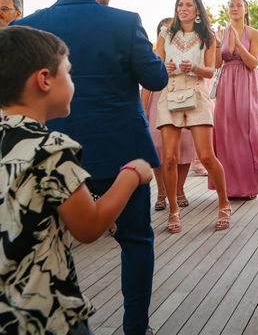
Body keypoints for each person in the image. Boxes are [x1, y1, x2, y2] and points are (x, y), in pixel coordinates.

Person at [13, 0, 167, 335]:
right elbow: (157, 79)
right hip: (121, 155)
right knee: (135, 241)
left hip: (45, 155)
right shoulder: (125, 22)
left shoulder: (27, 28)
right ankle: (136, 327)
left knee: (51, 243)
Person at [0, 26, 154, 335]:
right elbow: (89, 225)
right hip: (46, 313)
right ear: (44, 80)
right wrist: (132, 174)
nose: (73, 82)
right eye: (69, 74)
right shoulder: (51, 149)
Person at [156, 0, 231, 232]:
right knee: (169, 158)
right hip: (171, 93)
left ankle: (224, 204)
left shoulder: (206, 37)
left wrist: (195, 67)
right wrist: (164, 68)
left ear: (197, 9)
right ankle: (173, 211)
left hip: (197, 93)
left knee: (206, 156)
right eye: (180, 4)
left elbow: (211, 70)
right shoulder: (165, 34)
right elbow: (155, 67)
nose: (183, 8)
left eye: (188, 4)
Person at [141, 17, 197, 211]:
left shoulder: (189, 52)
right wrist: (142, 112)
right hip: (160, 101)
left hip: (185, 98)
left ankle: (179, 189)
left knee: (185, 144)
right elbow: (146, 87)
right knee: (158, 147)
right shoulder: (153, 59)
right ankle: (162, 192)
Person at [213, 0, 258, 198]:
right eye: (231, 5)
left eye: (239, 5)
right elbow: (217, 64)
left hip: (246, 82)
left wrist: (238, 43)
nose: (235, 8)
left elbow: (253, 63)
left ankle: (248, 186)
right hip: (226, 82)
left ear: (246, 10)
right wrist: (218, 45)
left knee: (246, 130)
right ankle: (228, 187)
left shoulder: (254, 33)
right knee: (225, 132)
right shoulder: (221, 33)